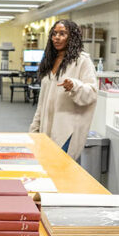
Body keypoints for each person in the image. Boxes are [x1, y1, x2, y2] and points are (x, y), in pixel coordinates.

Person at [29, 19, 98, 160]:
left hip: (67, 131)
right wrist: (35, 127)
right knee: (47, 168)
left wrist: (74, 86)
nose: (57, 37)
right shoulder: (49, 60)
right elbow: (42, 101)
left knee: (61, 171)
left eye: (62, 34)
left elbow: (92, 93)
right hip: (46, 128)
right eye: (54, 34)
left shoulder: (82, 61)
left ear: (72, 37)